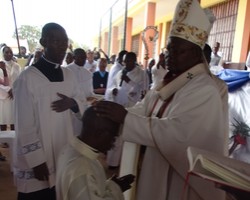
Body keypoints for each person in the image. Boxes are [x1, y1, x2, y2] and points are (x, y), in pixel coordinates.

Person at [95, 0, 228, 199]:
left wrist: (126, 119)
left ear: (196, 54)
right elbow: (145, 108)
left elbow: (178, 135)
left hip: (178, 178)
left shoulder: (204, 89)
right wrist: (112, 113)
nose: (170, 56)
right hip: (155, 164)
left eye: (178, 51)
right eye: (168, 50)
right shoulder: (171, 80)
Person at [13, 22, 87, 200]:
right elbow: (24, 125)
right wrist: (36, 160)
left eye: (65, 41)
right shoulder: (27, 78)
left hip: (63, 148)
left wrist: (73, 103)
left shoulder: (69, 75)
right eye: (57, 41)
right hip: (39, 156)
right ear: (43, 42)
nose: (63, 46)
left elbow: (82, 101)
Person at [56, 105, 135, 200]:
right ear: (99, 133)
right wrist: (117, 189)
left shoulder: (70, 148)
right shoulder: (82, 167)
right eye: (113, 137)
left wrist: (111, 185)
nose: (114, 143)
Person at [66, 48, 96, 135]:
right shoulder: (66, 71)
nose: (84, 60)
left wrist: (93, 98)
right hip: (71, 109)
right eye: (81, 58)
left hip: (85, 107)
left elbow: (90, 92)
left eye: (84, 58)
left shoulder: (88, 73)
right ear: (74, 57)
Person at [0, 46, 21, 131]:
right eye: (7, 52)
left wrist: (15, 90)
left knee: (14, 121)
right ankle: (3, 142)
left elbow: (20, 80)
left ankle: (14, 141)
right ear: (3, 53)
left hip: (14, 95)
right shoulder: (0, 65)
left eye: (11, 52)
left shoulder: (17, 66)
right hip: (3, 96)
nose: (9, 54)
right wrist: (9, 90)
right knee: (3, 121)